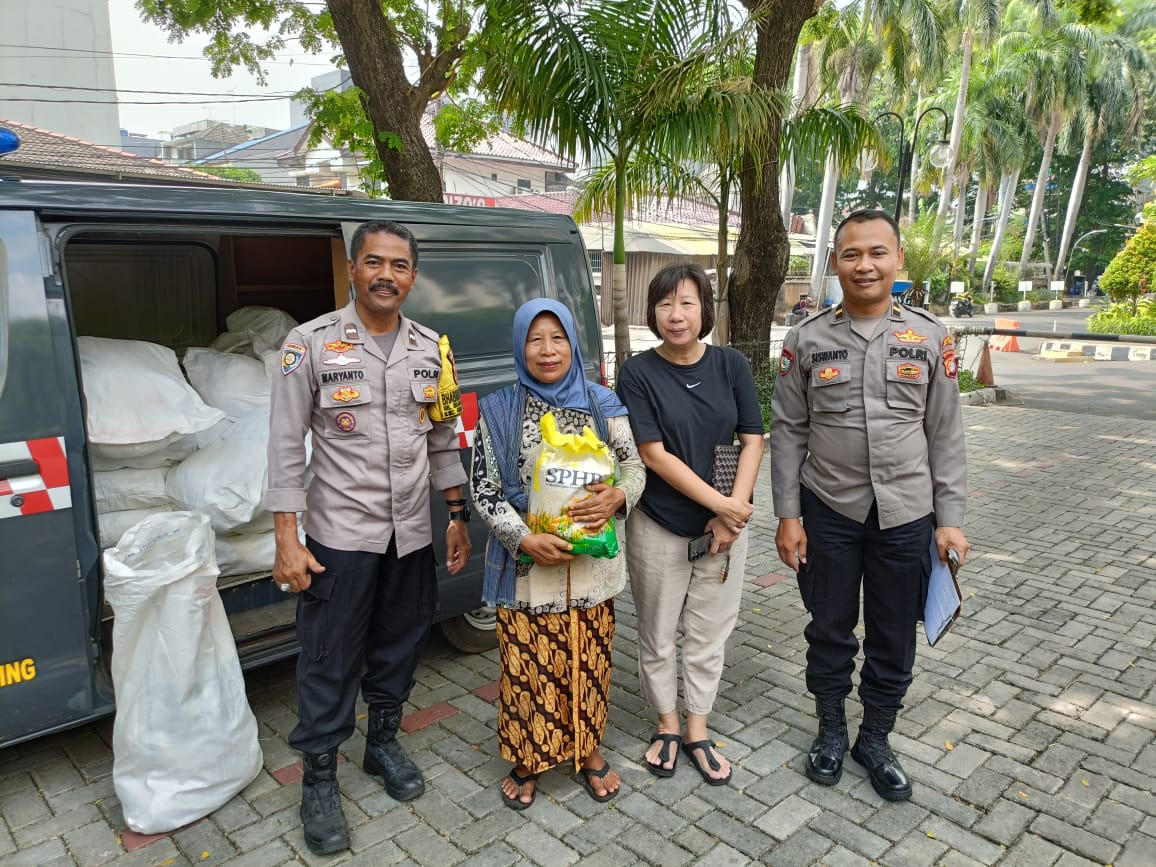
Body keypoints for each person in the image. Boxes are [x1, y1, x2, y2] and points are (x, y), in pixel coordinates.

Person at [266, 220, 471, 855]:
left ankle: (381, 744)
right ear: (353, 269)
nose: (387, 275)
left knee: (401, 644)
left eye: (399, 265)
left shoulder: (432, 350)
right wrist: (286, 538)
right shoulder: (309, 345)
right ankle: (319, 778)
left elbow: (443, 439)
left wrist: (456, 515)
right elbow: (284, 447)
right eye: (375, 262)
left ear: (413, 277)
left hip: (410, 534)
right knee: (328, 658)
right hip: (340, 536)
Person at [769, 209, 969, 802]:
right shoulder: (806, 339)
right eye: (852, 254)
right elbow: (788, 432)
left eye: (877, 252)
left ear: (897, 259)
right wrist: (787, 515)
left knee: (894, 635)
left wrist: (950, 521)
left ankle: (875, 738)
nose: (865, 265)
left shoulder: (930, 337)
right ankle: (831, 730)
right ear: (835, 262)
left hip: (907, 515)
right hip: (828, 510)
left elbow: (946, 434)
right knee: (829, 628)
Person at [471, 299, 645, 809]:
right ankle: (529, 757)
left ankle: (587, 751)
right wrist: (523, 539)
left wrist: (618, 496)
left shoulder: (603, 403)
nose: (547, 350)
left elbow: (634, 466)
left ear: (573, 343)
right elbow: (484, 487)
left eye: (558, 338)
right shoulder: (499, 409)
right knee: (527, 666)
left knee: (588, 661)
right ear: (520, 346)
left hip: (592, 569)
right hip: (528, 568)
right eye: (535, 339)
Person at [616, 263, 764, 786]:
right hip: (659, 524)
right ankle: (667, 725)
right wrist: (721, 506)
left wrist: (732, 513)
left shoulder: (731, 365)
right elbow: (652, 454)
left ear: (705, 309)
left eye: (687, 303)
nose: (676, 315)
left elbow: (752, 438)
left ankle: (698, 729)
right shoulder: (637, 372)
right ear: (652, 312)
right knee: (657, 632)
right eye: (664, 304)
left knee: (708, 632)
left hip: (726, 526)